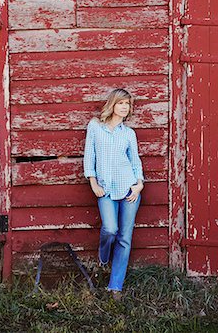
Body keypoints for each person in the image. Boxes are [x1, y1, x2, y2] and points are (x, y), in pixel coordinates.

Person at [83, 88, 144, 300]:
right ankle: (103, 258)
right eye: (121, 103)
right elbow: (89, 154)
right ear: (112, 105)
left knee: (125, 238)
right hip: (105, 189)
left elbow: (135, 161)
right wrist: (93, 182)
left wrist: (139, 185)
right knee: (110, 229)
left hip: (129, 189)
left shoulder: (128, 134)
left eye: (127, 104)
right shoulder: (95, 127)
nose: (124, 107)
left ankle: (115, 286)